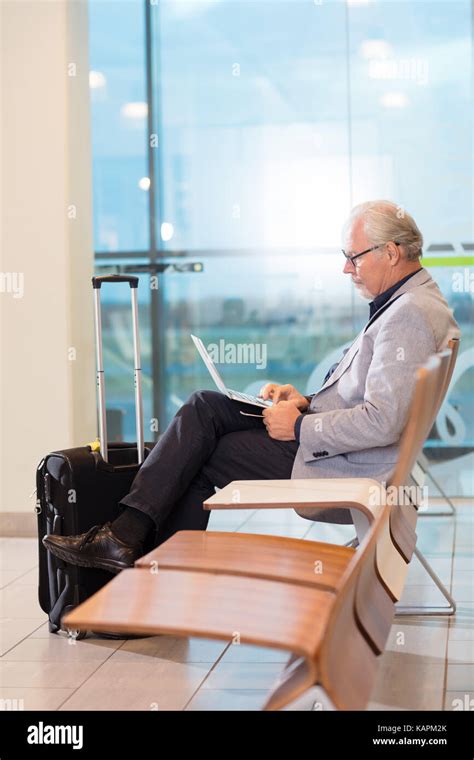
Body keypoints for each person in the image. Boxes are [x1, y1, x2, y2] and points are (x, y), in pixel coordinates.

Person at [43, 200, 460, 574]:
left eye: (353, 257)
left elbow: (383, 420)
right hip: (343, 446)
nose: (346, 269)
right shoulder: (413, 301)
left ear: (391, 252)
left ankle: (137, 552)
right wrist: (305, 401)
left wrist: (297, 427)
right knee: (205, 406)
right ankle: (129, 541)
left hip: (351, 463)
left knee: (200, 453)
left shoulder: (407, 315)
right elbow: (375, 397)